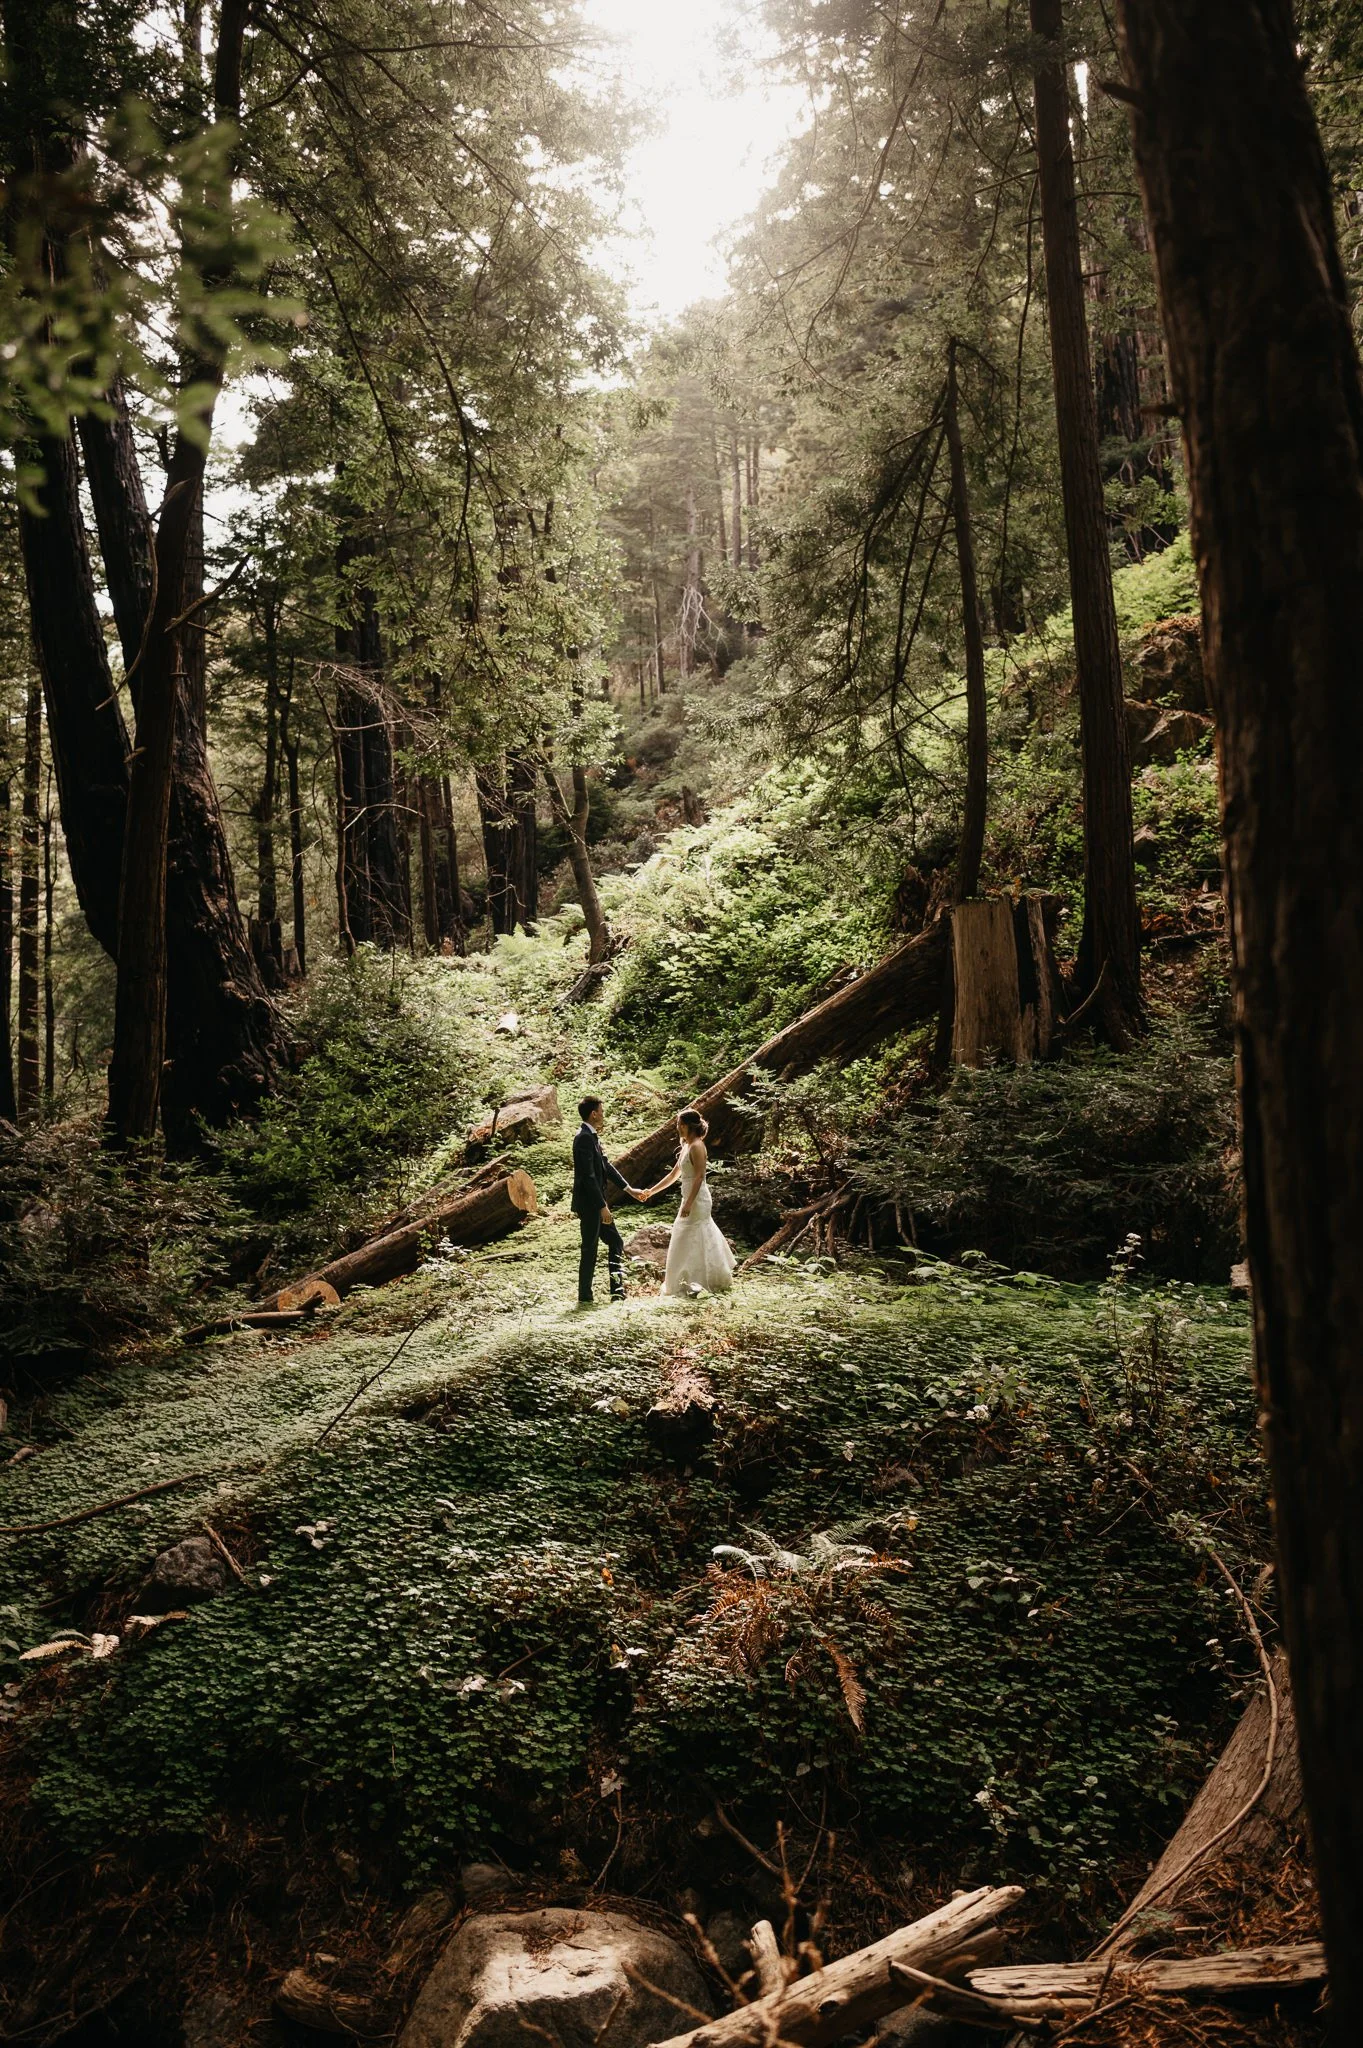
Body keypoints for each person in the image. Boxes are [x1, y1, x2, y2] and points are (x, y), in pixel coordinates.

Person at [640, 1109, 736, 1297]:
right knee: (685, 1238)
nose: (677, 1128)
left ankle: (702, 1282)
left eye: (679, 1124)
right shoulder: (687, 1146)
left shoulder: (698, 1146)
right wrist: (651, 1191)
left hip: (698, 1200)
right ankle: (685, 1282)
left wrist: (689, 1204)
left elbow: (700, 1177)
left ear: (686, 1126)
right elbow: (673, 1175)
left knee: (693, 1236)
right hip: (689, 1199)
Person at [571, 1095, 642, 1307]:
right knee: (590, 1248)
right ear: (593, 1113)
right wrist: (602, 1206)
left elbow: (605, 1167)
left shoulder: (592, 1136)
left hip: (597, 1203)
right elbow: (588, 1177)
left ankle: (617, 1292)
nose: (603, 1115)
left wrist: (629, 1189)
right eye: (601, 1111)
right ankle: (585, 1297)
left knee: (615, 1242)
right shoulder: (583, 1138)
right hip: (590, 1204)